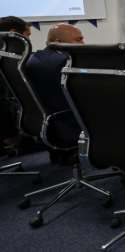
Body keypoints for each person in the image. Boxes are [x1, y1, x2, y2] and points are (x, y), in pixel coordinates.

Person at [25, 24, 85, 164]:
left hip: (49, 120)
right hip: (67, 121)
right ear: (59, 42)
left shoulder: (37, 58)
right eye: (78, 39)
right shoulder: (60, 63)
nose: (83, 43)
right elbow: (85, 93)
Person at [0, 16, 33, 154]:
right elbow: (0, 100)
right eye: (28, 35)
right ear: (13, 33)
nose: (29, 40)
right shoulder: (4, 58)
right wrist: (11, 132)